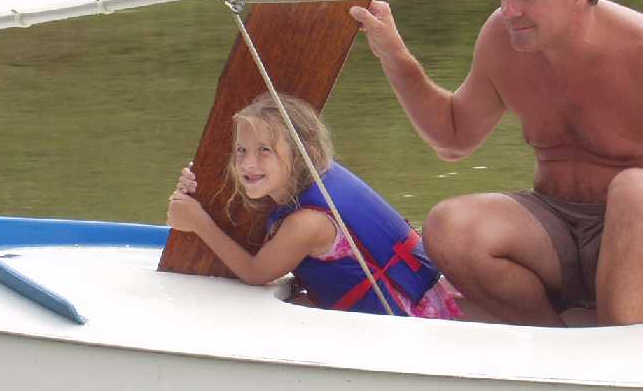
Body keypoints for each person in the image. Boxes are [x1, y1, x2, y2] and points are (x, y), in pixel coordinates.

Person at [349, 0, 643, 327]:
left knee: (634, 191)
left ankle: (618, 350)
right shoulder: (502, 38)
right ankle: (552, 343)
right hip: (554, 230)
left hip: (634, 237)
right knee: (450, 226)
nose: (510, 10)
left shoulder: (636, 47)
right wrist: (394, 54)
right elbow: (453, 138)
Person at [167, 92, 461, 319]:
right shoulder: (317, 178)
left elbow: (256, 273)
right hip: (427, 300)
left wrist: (198, 223)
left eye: (264, 150)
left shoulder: (307, 223)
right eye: (241, 150)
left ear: (300, 154)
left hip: (405, 324)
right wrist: (198, 181)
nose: (247, 164)